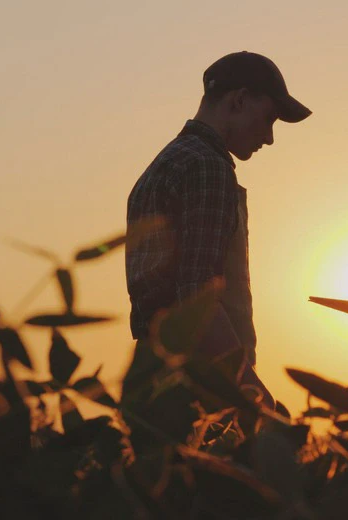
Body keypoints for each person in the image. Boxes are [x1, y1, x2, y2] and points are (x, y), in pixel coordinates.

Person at [124, 51, 311, 422]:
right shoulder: (208, 166)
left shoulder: (165, 164)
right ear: (239, 100)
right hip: (197, 389)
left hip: (155, 377)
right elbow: (198, 299)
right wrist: (252, 396)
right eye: (269, 119)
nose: (270, 138)